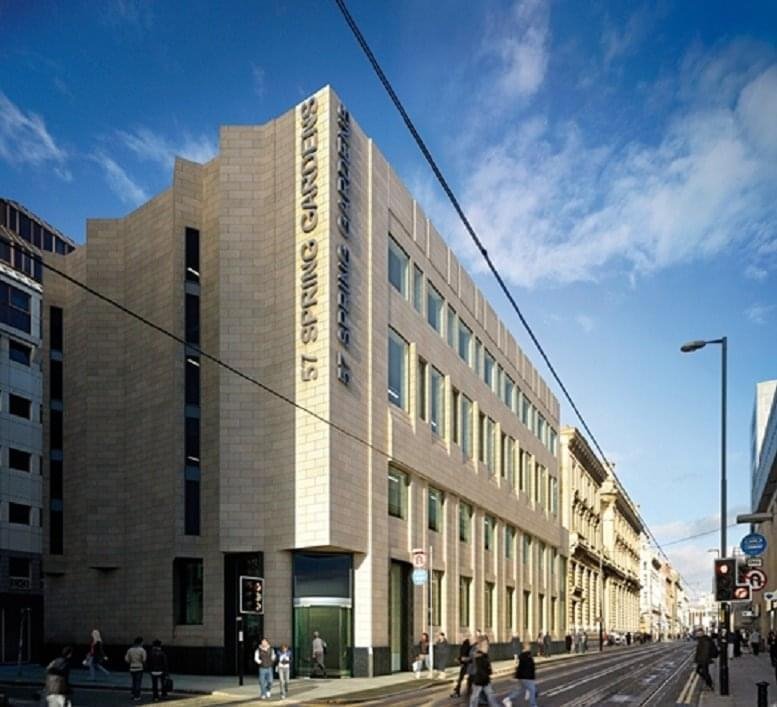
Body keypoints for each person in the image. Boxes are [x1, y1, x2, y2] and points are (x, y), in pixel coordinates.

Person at [503, 641, 537, 707]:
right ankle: (533, 705)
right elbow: (522, 667)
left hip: (526, 677)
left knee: (520, 690)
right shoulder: (524, 655)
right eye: (528, 646)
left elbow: (529, 667)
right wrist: (516, 676)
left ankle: (508, 699)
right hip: (526, 677)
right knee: (533, 690)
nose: (530, 647)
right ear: (525, 647)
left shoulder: (527, 655)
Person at [469, 638, 498, 707]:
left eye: (487, 645)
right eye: (485, 645)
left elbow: (487, 666)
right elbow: (478, 668)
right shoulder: (478, 655)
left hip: (485, 679)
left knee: (490, 695)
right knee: (475, 697)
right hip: (478, 680)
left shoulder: (485, 655)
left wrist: (489, 671)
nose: (487, 646)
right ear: (481, 646)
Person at [125, 636, 147, 702]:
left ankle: (133, 694)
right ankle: (137, 696)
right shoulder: (142, 650)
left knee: (134, 682)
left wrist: (131, 662)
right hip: (139, 668)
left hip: (132, 667)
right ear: (141, 642)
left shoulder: (130, 650)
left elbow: (127, 659)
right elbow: (144, 659)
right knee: (138, 682)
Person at [450, 631, 471, 698]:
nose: (458, 638)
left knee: (461, 678)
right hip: (466, 664)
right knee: (466, 678)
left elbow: (464, 655)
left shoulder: (465, 644)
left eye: (460, 637)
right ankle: (463, 691)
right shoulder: (466, 644)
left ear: (463, 637)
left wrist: (459, 659)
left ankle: (458, 692)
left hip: (466, 664)